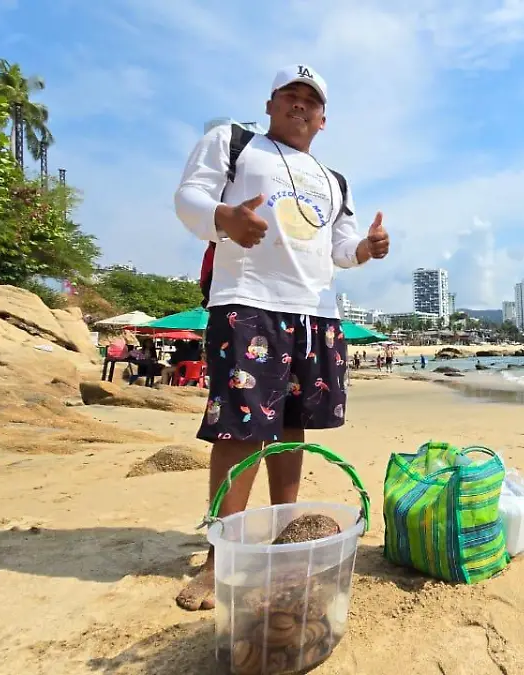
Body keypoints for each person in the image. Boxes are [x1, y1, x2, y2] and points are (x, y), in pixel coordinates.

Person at [171, 64, 390, 611]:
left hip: (316, 311)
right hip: (250, 303)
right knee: (240, 430)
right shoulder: (235, 141)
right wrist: (223, 216)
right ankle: (220, 557)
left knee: (293, 426)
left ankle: (283, 535)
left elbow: (340, 249)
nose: (299, 104)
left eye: (309, 99)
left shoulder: (334, 179)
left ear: (323, 118)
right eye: (288, 95)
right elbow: (188, 197)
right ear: (270, 105)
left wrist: (367, 247)